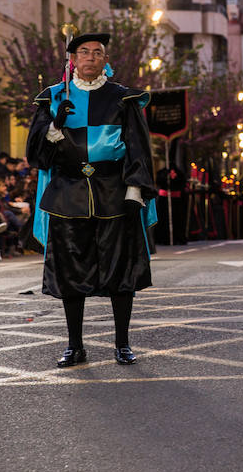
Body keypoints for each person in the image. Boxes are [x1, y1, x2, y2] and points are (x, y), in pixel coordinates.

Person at [28, 31, 157, 367]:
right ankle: (75, 346)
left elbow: (139, 148)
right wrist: (54, 128)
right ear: (72, 59)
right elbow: (37, 155)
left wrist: (134, 190)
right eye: (83, 52)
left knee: (120, 273)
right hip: (67, 197)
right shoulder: (52, 98)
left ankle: (122, 344)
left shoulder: (124, 98)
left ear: (105, 59)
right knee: (70, 276)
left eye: (97, 52)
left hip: (114, 194)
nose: (90, 58)